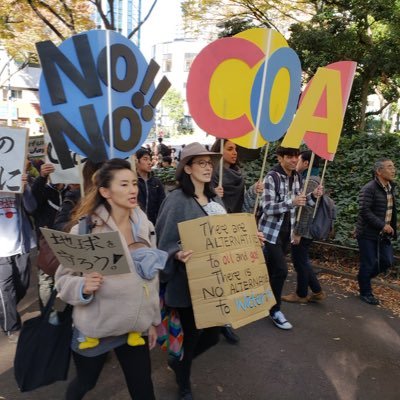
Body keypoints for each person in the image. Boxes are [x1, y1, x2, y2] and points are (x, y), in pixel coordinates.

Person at [55, 158, 162, 400]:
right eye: (123, 184)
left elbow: (152, 278)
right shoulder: (85, 230)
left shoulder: (146, 226)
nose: (133, 189)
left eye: (134, 183)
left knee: (143, 388)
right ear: (105, 191)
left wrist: (153, 321)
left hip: (135, 328)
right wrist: (82, 286)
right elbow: (63, 280)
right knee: (84, 383)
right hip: (97, 329)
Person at [156, 142, 225, 400]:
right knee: (192, 335)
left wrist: (249, 238)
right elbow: (163, 243)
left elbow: (225, 235)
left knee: (214, 335)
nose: (208, 168)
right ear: (187, 168)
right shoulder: (176, 200)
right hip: (186, 283)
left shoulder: (215, 198)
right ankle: (184, 384)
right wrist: (177, 253)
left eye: (210, 163)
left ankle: (179, 363)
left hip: (214, 280)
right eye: (201, 163)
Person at [259, 146, 322, 330]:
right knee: (281, 270)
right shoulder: (272, 177)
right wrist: (291, 202)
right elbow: (267, 208)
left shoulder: (296, 177)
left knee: (271, 271)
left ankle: (264, 302)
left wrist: (312, 196)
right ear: (280, 158)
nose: (294, 160)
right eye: (290, 157)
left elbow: (300, 202)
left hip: (286, 232)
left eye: (296, 156)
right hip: (269, 233)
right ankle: (275, 310)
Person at [210, 139, 263, 344]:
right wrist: (213, 194)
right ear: (219, 150)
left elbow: (244, 204)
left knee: (229, 279)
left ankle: (225, 322)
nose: (235, 153)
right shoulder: (212, 174)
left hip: (234, 230)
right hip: (215, 232)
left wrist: (253, 192)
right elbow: (200, 201)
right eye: (230, 149)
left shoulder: (238, 174)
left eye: (236, 149)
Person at [281, 150, 326, 303]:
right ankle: (317, 290)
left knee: (299, 260)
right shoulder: (310, 178)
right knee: (302, 259)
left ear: (306, 163)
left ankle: (301, 294)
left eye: (298, 159)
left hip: (304, 229)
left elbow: (305, 209)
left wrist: (298, 232)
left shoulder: (311, 181)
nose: (295, 162)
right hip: (305, 228)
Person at [0, 172, 36, 342]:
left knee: (22, 285)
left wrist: (25, 187)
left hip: (21, 245)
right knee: (6, 289)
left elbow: (31, 207)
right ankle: (12, 326)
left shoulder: (17, 183)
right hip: (1, 251)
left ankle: (5, 308)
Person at [355, 158, 397, 305]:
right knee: (369, 262)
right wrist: (382, 225)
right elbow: (364, 210)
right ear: (379, 171)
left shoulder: (391, 188)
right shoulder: (369, 188)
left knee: (387, 261)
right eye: (389, 167)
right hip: (367, 233)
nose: (393, 170)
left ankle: (362, 278)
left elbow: (389, 210)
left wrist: (392, 225)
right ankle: (366, 292)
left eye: (394, 167)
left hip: (383, 234)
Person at [136, 148, 166, 225]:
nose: (149, 163)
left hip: (154, 223)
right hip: (137, 224)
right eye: (145, 159)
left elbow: (162, 204)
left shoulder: (156, 182)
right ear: (136, 161)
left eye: (150, 159)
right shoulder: (133, 182)